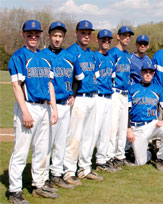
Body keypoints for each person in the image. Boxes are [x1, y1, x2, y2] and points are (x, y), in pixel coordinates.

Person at [8, 19, 59, 203]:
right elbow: (16, 86)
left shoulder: (46, 58)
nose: (33, 36)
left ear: (40, 35)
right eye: (29, 34)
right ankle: (14, 191)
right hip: (28, 105)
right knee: (21, 151)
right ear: (23, 35)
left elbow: (50, 84)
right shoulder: (19, 56)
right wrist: (25, 112)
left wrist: (53, 108)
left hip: (44, 107)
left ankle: (39, 185)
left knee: (42, 150)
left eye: (36, 34)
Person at [41, 21, 80, 190]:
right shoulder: (41, 55)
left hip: (65, 104)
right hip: (49, 105)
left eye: (60, 36)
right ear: (49, 36)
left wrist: (73, 94)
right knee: (46, 142)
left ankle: (56, 174)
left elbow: (79, 79)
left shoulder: (70, 57)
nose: (57, 39)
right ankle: (42, 177)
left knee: (61, 142)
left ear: (64, 37)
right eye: (55, 35)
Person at [64, 20, 101, 186]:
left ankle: (85, 168)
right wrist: (71, 94)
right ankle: (69, 171)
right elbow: (66, 76)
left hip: (93, 97)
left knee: (89, 136)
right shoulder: (71, 52)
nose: (86, 36)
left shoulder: (92, 54)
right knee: (75, 136)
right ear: (76, 33)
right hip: (79, 98)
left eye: (88, 33)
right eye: (83, 33)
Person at [126, 61, 163, 170]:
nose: (148, 74)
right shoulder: (132, 88)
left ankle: (160, 159)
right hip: (136, 127)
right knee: (140, 163)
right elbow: (126, 111)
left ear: (153, 74)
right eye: (145, 72)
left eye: (150, 72)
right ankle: (150, 153)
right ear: (141, 73)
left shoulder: (158, 89)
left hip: (151, 125)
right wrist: (129, 129)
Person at [106, 26, 135, 167]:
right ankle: (109, 157)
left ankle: (120, 155)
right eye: (124, 35)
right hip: (115, 92)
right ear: (118, 37)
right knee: (113, 127)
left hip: (124, 94)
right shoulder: (112, 53)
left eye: (129, 36)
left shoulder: (128, 55)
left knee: (123, 128)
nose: (127, 38)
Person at [92, 29, 119, 173]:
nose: (106, 42)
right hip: (98, 97)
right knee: (94, 131)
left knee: (106, 132)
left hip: (109, 97)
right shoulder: (94, 57)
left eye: (109, 40)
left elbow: (112, 78)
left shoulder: (110, 58)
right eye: (103, 40)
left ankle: (101, 161)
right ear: (98, 40)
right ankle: (86, 162)